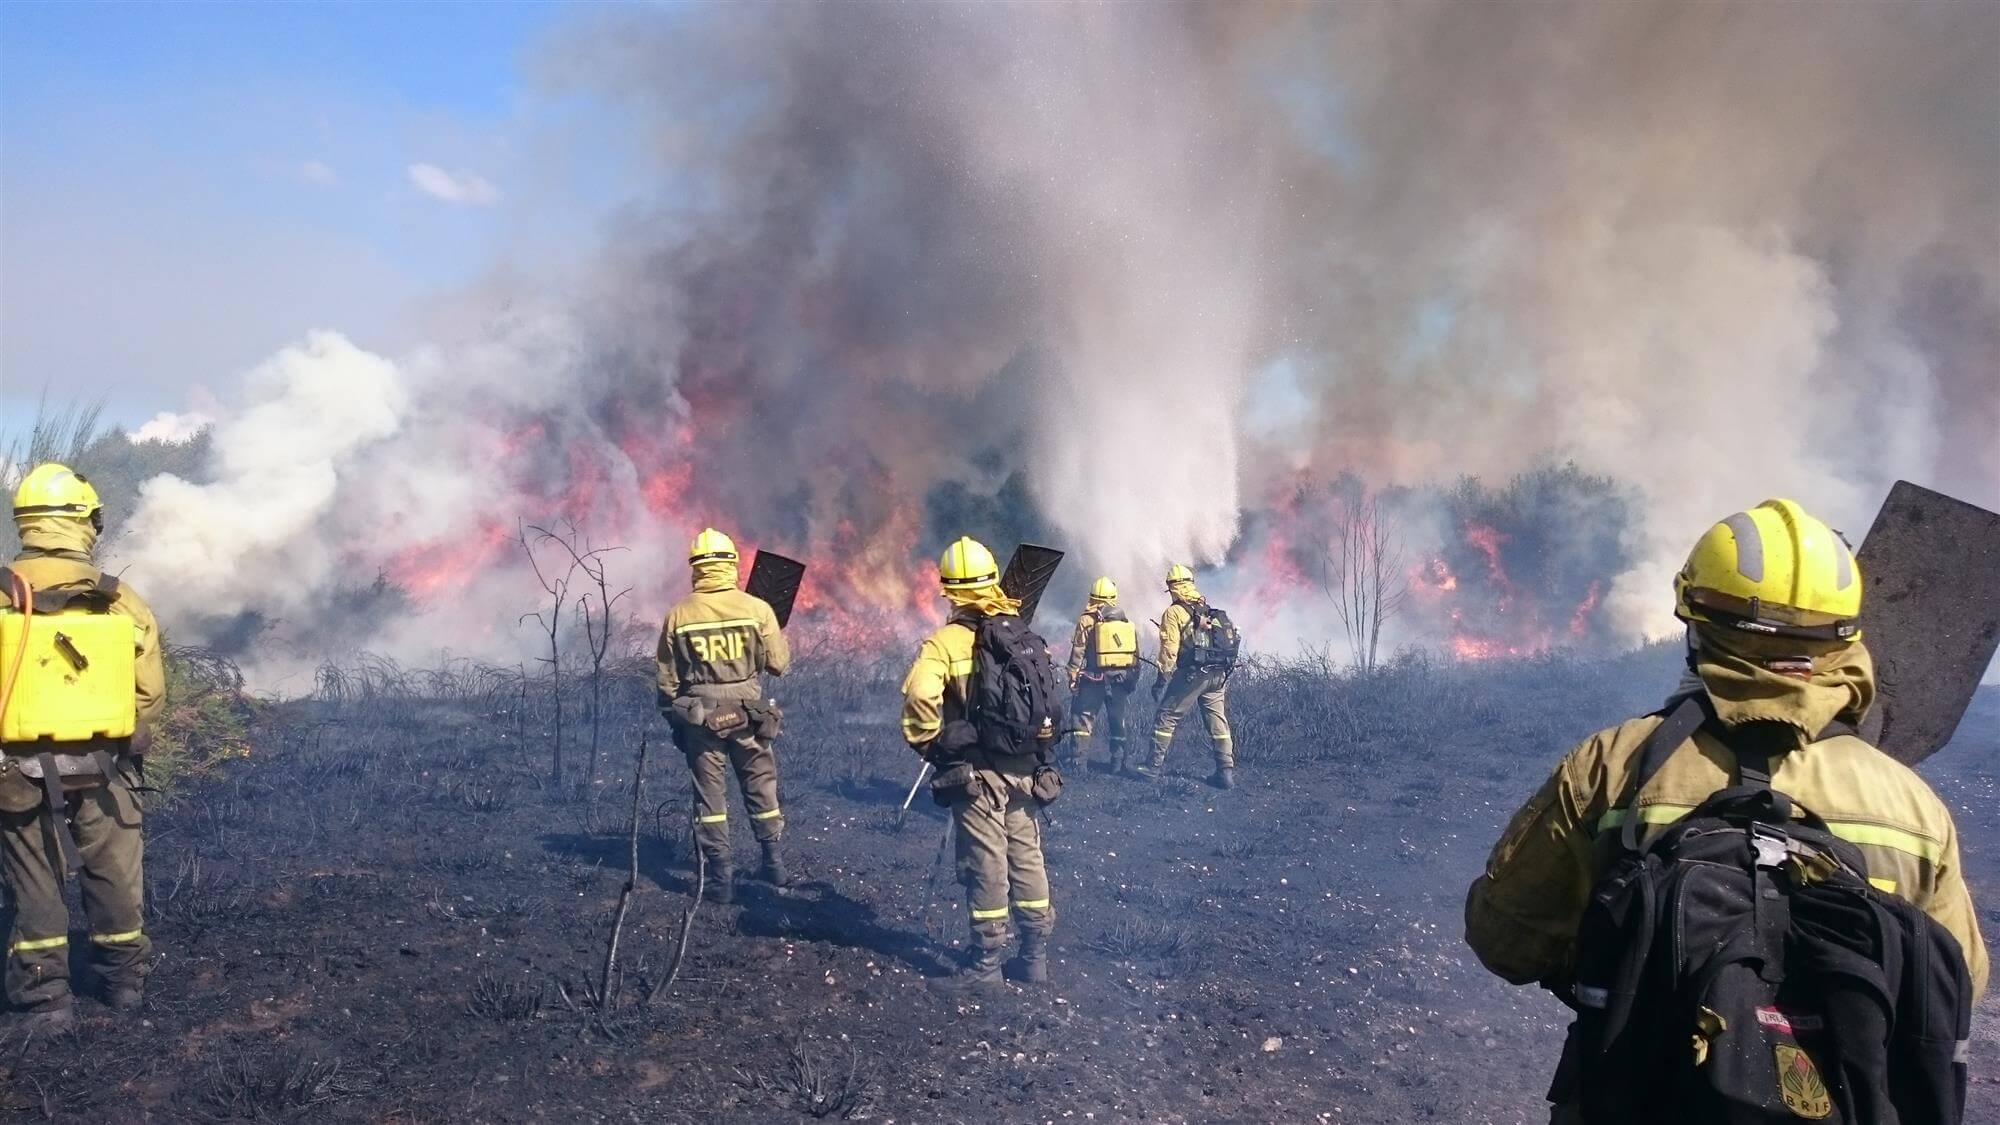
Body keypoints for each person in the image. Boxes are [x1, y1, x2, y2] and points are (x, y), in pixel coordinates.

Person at [1466, 498, 1986, 1121]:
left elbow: (1506, 938)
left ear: (1696, 622)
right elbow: (1959, 982)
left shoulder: (1614, 766)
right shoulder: (1909, 803)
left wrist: (1628, 954)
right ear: (1842, 638)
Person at [0, 464, 165, 1030]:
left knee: (35, 880)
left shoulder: (2, 594)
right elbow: (150, 695)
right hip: (108, 768)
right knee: (115, 871)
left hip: (13, 771)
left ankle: (45, 1002)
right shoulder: (120, 601)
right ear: (84, 521)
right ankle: (123, 982)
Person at [900, 536, 1055, 992]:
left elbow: (920, 696)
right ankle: (1034, 957)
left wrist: (931, 745)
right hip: (1026, 767)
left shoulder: (945, 642)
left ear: (949, 589)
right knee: (1026, 857)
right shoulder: (1019, 632)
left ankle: (985, 965)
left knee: (986, 863)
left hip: (976, 774)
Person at [656, 528, 791, 905]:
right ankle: (774, 864)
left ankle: (721, 880)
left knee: (710, 799)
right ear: (733, 563)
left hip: (701, 720)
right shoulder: (758, 609)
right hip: (748, 714)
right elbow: (778, 665)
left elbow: (666, 681)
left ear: (695, 567)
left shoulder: (679, 614)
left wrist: (674, 717)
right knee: (761, 786)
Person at [1139, 564, 1236, 788]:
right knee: (1217, 722)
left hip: (1193, 675)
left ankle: (1152, 768)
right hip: (1218, 674)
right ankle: (1226, 773)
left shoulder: (1174, 612)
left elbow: (1170, 650)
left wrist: (1161, 679)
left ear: (1172, 587)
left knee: (1166, 716)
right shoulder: (1206, 609)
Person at [1064, 577, 1140, 775]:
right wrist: (1132, 679)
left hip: (1093, 680)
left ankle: (1078, 764)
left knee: (1082, 719)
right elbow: (1135, 655)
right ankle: (1118, 763)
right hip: (1120, 680)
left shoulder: (1086, 619)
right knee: (1117, 720)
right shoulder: (1125, 621)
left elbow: (1078, 652)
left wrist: (1072, 676)